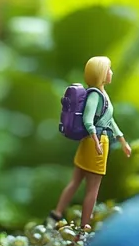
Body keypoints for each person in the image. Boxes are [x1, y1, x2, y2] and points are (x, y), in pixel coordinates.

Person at [49, 56, 132, 229]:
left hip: (94, 142)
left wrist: (122, 141)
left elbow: (110, 120)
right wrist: (96, 142)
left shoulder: (102, 94)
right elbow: (88, 120)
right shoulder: (95, 95)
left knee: (76, 182)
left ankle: (56, 214)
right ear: (101, 73)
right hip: (96, 143)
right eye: (108, 69)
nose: (111, 72)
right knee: (92, 188)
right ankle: (84, 227)